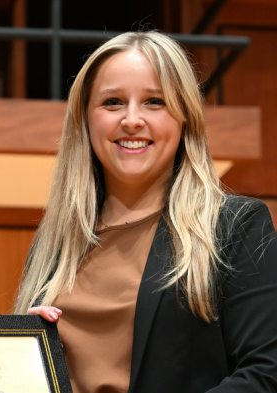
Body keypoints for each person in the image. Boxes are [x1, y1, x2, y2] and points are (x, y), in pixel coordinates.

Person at [16, 31, 277, 393]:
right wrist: (26, 355)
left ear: (185, 116)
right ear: (86, 119)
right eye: (112, 102)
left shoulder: (233, 227)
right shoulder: (56, 241)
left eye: (155, 101)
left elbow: (266, 373)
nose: (132, 120)